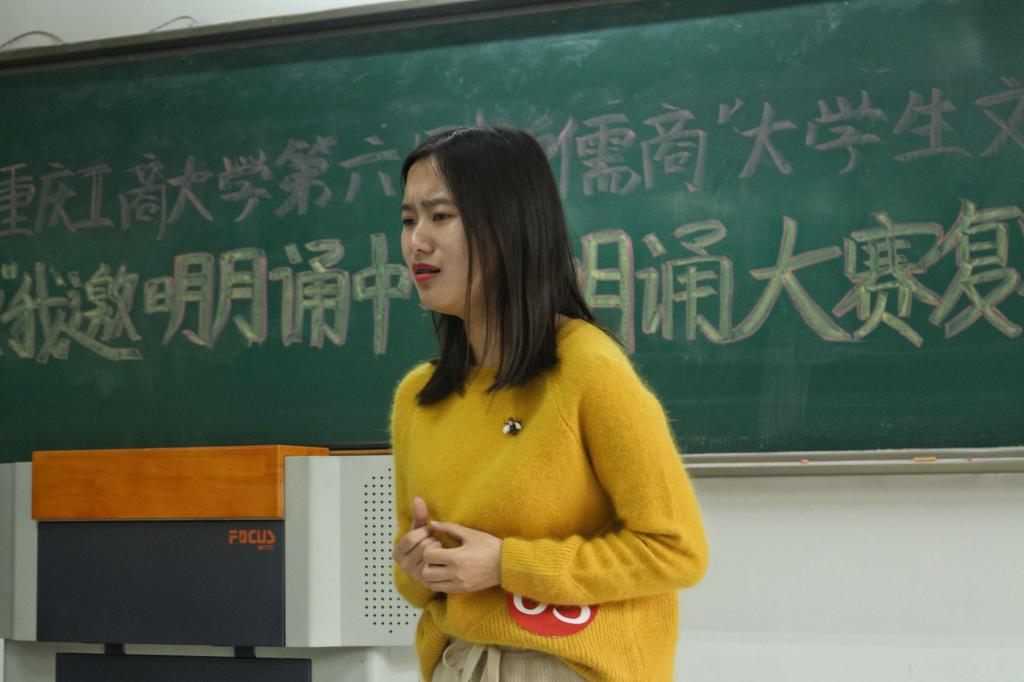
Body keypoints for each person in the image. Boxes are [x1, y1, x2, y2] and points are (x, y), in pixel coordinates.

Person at [390, 126, 708, 682]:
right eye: (408, 219)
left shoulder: (586, 368)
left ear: (506, 226)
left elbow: (674, 550)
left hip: (563, 667)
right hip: (457, 662)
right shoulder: (418, 397)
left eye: (440, 216)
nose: (418, 241)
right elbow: (416, 583)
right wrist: (418, 564)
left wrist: (507, 564)